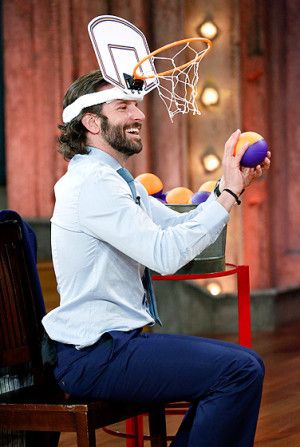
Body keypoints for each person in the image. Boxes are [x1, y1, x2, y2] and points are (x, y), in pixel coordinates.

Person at [42, 69, 270, 447]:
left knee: (246, 366)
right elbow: (165, 256)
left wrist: (233, 186)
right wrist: (228, 194)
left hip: (114, 347)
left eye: (135, 105)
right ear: (91, 122)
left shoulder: (113, 179)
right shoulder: (92, 184)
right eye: (124, 106)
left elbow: (181, 224)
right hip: (95, 357)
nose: (139, 114)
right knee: (239, 370)